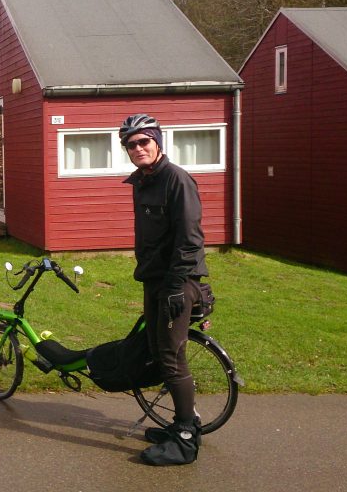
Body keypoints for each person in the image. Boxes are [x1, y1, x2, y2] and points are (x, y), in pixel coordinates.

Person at [119, 113, 208, 466]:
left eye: (144, 141)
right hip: (155, 281)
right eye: (131, 143)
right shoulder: (143, 181)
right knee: (158, 351)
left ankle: (186, 439)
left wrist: (176, 287)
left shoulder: (176, 181)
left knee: (171, 359)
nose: (138, 148)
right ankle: (181, 423)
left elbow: (190, 241)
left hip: (176, 283)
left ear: (157, 141)